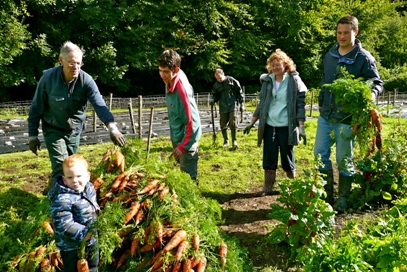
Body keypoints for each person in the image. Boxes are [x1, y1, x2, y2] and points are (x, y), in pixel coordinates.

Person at [28, 41, 126, 186]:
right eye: (72, 63)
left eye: (79, 63)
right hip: (53, 129)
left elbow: (99, 105)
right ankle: (59, 202)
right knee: (61, 166)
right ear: (61, 60)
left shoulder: (86, 80)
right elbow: (36, 107)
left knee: (72, 167)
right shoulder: (48, 79)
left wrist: (113, 128)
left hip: (74, 130)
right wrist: (33, 135)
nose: (76, 67)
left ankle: (56, 187)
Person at [314, 15, 383, 212]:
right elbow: (324, 82)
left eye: (346, 32)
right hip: (326, 116)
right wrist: (320, 103)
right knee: (320, 154)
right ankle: (326, 196)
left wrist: (371, 93)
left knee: (343, 158)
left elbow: (377, 82)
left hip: (347, 118)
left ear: (355, 32)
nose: (341, 36)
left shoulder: (363, 58)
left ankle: (343, 198)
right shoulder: (330, 54)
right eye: (339, 32)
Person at [244, 49, 307, 196]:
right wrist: (252, 122)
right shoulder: (268, 81)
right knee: (269, 156)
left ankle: (292, 187)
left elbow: (300, 105)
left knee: (287, 156)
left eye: (278, 65)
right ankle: (268, 187)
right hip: (269, 125)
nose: (275, 68)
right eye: (272, 65)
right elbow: (262, 104)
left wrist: (301, 127)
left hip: (286, 126)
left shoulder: (294, 80)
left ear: (285, 64)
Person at [48, 154, 100, 272]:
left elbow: (93, 207)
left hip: (91, 240)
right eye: (70, 177)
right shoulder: (62, 199)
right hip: (71, 246)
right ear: (64, 180)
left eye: (79, 176)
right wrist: (84, 233)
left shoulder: (89, 188)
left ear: (88, 176)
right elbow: (63, 224)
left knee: (92, 267)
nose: (75, 180)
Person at [157, 49, 202, 181]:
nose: (162, 75)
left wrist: (183, 146)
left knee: (188, 180)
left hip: (187, 141)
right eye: (160, 70)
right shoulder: (170, 81)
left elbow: (193, 123)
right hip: (178, 136)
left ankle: (193, 200)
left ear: (175, 70)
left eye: (166, 71)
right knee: (182, 176)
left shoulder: (182, 91)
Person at [210, 68, 244, 149]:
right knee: (223, 124)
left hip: (233, 105)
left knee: (233, 122)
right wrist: (213, 100)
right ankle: (226, 141)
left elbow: (239, 92)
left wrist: (242, 104)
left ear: (223, 74)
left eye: (220, 78)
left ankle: (234, 141)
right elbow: (216, 95)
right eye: (217, 78)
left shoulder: (232, 81)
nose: (219, 80)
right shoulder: (216, 85)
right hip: (223, 107)